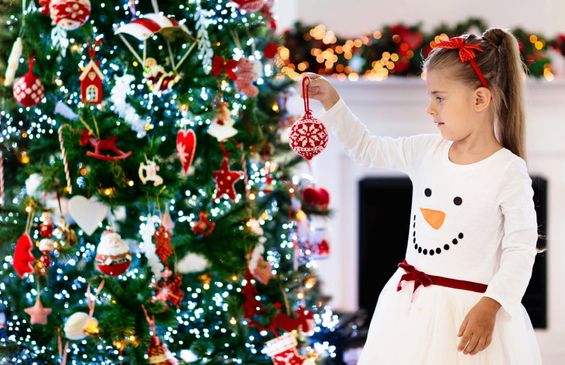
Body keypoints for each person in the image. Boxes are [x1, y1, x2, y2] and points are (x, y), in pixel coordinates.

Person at [303, 27, 542, 364]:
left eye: (439, 97)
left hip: (471, 317)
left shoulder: (507, 171)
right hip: (410, 310)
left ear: (479, 99)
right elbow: (367, 148)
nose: (430, 109)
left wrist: (492, 305)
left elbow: (520, 249)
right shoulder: (425, 151)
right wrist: (332, 101)